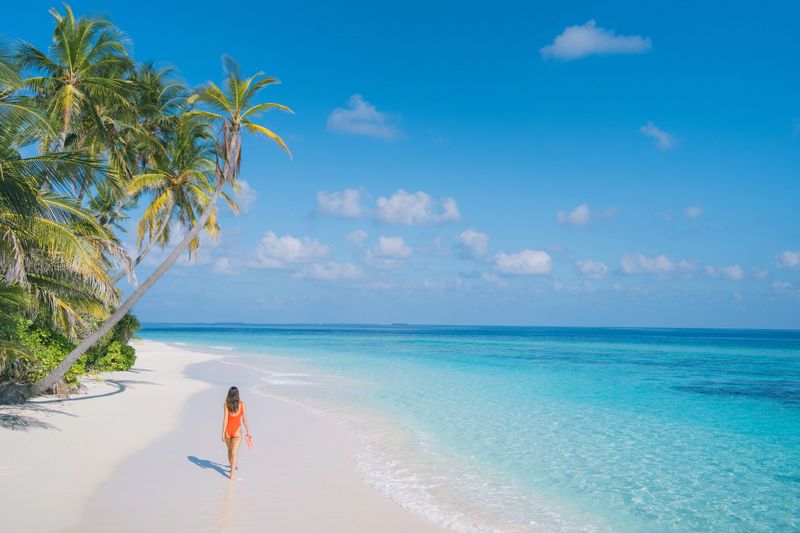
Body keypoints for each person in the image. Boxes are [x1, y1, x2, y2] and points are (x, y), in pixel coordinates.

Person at [221, 386, 250, 480]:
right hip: (233, 432)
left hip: (230, 431)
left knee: (233, 452)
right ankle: (232, 466)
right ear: (237, 395)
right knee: (231, 452)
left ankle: (232, 475)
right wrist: (247, 430)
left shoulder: (227, 404)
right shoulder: (240, 404)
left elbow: (225, 420)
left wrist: (222, 433)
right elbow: (244, 419)